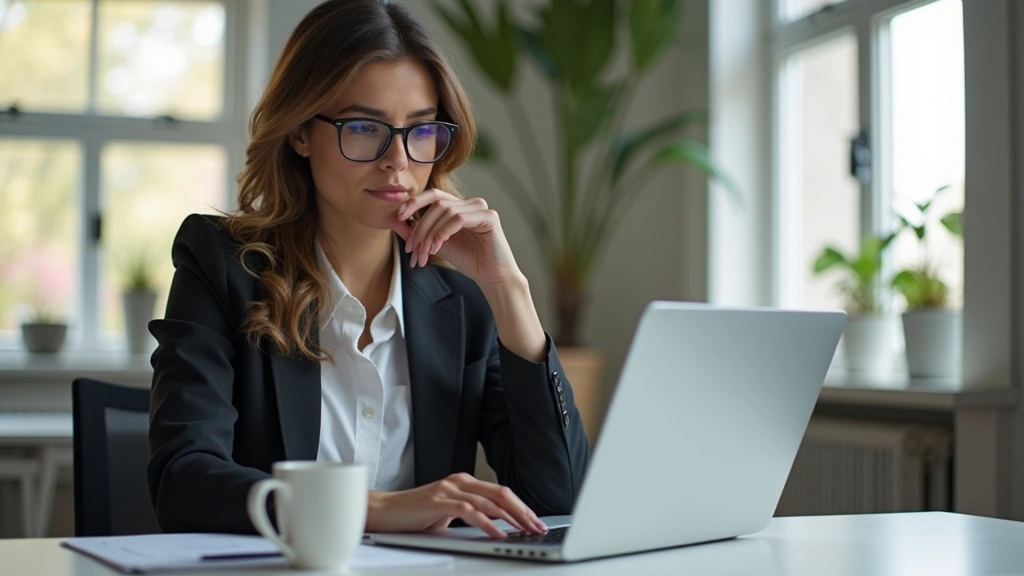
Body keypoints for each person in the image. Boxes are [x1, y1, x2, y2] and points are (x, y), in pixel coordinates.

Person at [147, 0, 589, 539]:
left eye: (421, 131)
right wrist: (370, 509)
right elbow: (183, 481)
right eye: (364, 127)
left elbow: (557, 498)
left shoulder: (462, 303)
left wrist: (508, 290)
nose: (398, 161)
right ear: (300, 132)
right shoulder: (222, 267)